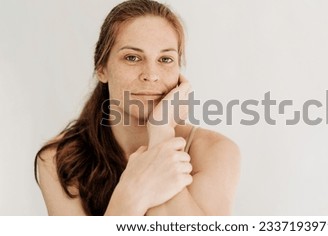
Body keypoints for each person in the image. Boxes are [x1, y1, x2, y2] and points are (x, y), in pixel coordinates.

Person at [34, 0, 240, 216]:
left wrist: (160, 135)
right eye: (132, 58)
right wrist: (130, 194)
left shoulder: (215, 151)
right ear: (102, 69)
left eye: (165, 59)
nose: (150, 74)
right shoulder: (57, 160)